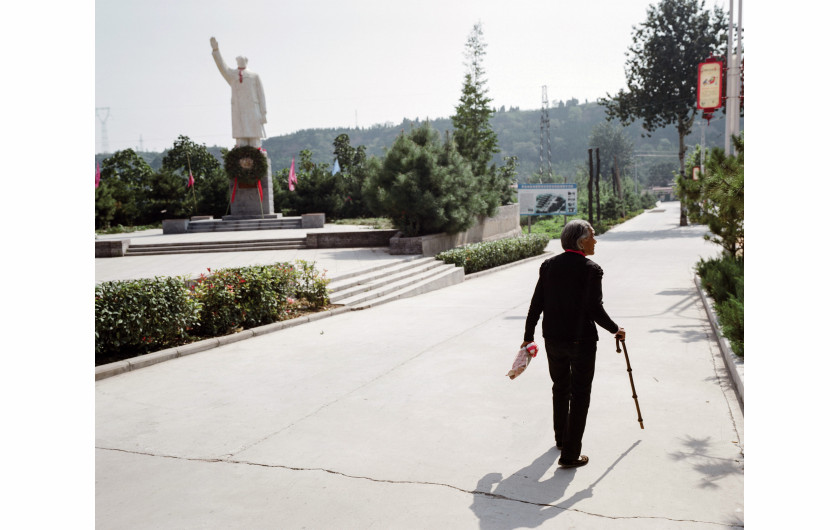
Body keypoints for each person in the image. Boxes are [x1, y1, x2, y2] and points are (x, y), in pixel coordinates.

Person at [522, 219, 625, 469]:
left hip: (553, 339)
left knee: (560, 386)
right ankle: (570, 454)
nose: (595, 240)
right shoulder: (591, 269)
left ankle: (561, 438)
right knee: (580, 395)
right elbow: (594, 308)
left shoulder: (548, 266)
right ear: (581, 240)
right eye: (592, 235)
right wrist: (616, 329)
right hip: (581, 341)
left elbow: (537, 304)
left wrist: (529, 336)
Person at [210, 37, 267, 148]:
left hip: (253, 112)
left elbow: (261, 96)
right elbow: (222, 67)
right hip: (239, 112)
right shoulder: (233, 75)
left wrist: (263, 113)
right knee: (241, 142)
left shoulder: (254, 76)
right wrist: (216, 51)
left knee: (255, 142)